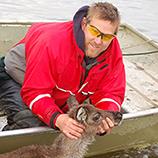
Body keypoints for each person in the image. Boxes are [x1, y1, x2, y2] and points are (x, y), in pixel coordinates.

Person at [0, 2, 126, 139]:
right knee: (30, 123)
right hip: (17, 75)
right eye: (95, 31)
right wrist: (57, 119)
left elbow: (111, 92)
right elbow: (35, 91)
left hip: (60, 90)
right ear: (84, 24)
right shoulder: (52, 43)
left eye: (107, 37)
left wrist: (105, 116)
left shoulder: (112, 51)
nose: (98, 41)